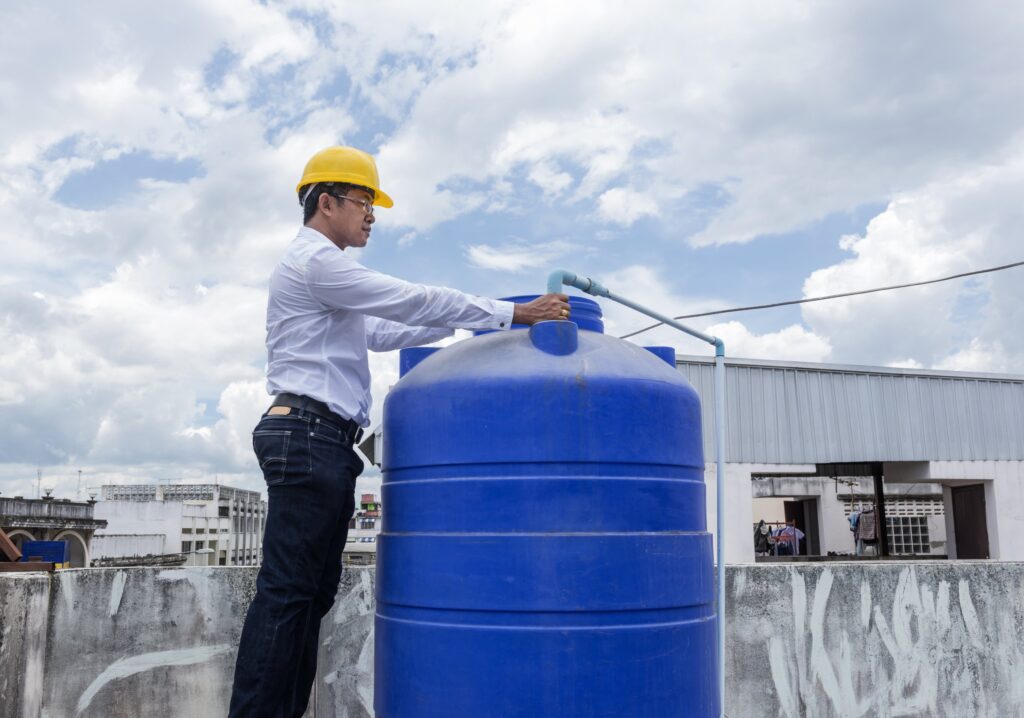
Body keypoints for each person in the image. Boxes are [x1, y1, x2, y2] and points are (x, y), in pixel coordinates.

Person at [228, 146, 570, 717]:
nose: (371, 216)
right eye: (364, 202)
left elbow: (387, 329)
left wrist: (482, 326)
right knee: (288, 595)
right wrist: (513, 314)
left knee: (308, 597)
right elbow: (412, 298)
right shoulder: (318, 263)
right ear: (326, 202)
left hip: (321, 440)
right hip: (307, 436)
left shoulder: (328, 278)